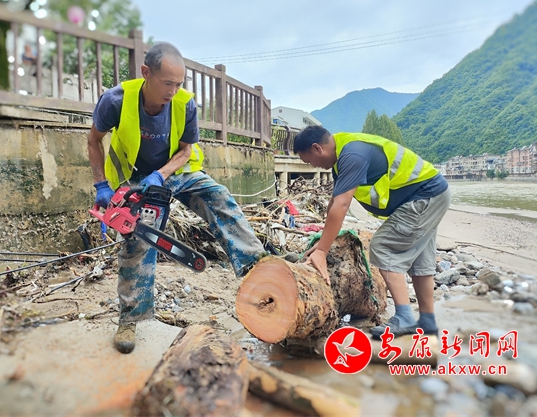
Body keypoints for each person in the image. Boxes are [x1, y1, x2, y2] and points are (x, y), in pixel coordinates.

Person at [87, 42, 266, 354]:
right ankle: (131, 319)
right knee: (137, 238)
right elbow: (93, 140)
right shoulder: (116, 100)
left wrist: (161, 174)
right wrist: (101, 185)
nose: (172, 91)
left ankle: (257, 264)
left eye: (178, 84)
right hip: (136, 178)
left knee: (218, 196)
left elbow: (185, 151)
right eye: (167, 83)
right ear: (146, 73)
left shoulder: (185, 104)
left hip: (177, 171)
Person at [294, 126, 450, 339]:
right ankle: (428, 322)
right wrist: (322, 242)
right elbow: (334, 202)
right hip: (433, 193)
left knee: (383, 246)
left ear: (317, 148)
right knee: (420, 260)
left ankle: (404, 317)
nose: (313, 166)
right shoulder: (342, 153)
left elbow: (342, 205)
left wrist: (322, 252)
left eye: (309, 160)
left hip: (425, 195)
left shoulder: (352, 155)